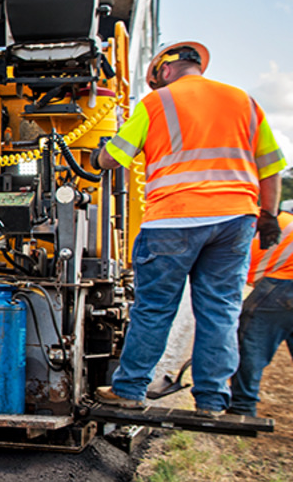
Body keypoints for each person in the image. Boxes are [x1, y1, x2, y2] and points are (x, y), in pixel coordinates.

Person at [92, 41, 286, 416]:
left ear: (164, 71)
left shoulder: (157, 103)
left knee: (154, 309)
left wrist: (98, 155)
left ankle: (130, 389)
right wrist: (269, 214)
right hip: (234, 220)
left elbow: (115, 156)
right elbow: (271, 166)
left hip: (173, 219)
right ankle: (212, 400)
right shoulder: (243, 101)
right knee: (220, 309)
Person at [229, 205, 293, 416]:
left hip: (283, 285)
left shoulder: (242, 219)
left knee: (251, 345)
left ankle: (242, 407)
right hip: (283, 282)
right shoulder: (269, 217)